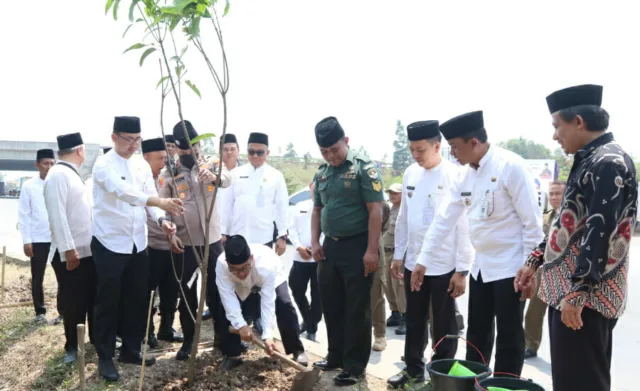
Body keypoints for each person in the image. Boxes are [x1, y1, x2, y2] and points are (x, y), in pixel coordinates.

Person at [515, 84, 637, 391]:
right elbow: (565, 224)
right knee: (570, 380)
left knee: (584, 382)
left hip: (586, 300)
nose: (555, 136)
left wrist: (579, 292)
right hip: (568, 294)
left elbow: (600, 233)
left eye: (557, 126)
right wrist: (534, 261)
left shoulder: (609, 162)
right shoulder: (590, 159)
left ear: (578, 122)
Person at [411, 111, 543, 377]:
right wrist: (422, 260)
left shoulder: (511, 167)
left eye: (456, 148)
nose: (453, 154)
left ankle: (505, 385)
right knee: (476, 333)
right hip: (482, 267)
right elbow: (443, 220)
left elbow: (532, 226)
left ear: (474, 142)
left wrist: (530, 269)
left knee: (509, 334)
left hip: (511, 269)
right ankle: (473, 382)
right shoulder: (464, 176)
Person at [91, 116, 183, 382]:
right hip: (110, 243)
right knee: (108, 301)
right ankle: (105, 356)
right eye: (128, 139)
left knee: (137, 299)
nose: (133, 145)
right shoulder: (103, 165)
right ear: (114, 137)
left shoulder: (141, 166)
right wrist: (160, 202)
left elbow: (148, 202)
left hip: (137, 243)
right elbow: (125, 194)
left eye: (137, 140)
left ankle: (131, 349)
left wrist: (162, 219)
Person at [388, 120, 474, 387]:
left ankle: (441, 373)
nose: (416, 155)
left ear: (437, 146)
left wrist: (462, 270)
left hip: (445, 264)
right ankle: (413, 367)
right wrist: (398, 254)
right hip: (414, 262)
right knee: (413, 319)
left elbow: (464, 227)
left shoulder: (455, 175)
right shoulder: (411, 174)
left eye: (421, 149)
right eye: (412, 149)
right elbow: (404, 217)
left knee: (444, 324)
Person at [310, 116, 384, 386]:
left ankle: (354, 366)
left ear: (346, 141)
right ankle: (335, 356)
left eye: (335, 150)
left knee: (356, 309)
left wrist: (372, 250)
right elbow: (317, 210)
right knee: (331, 304)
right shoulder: (322, 173)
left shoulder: (365, 169)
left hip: (358, 246)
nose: (331, 156)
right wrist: (315, 243)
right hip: (330, 247)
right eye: (324, 152)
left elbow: (376, 210)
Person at [160, 120, 231, 360]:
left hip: (212, 242)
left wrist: (214, 177)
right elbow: (162, 207)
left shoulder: (211, 163)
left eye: (193, 147)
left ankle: (224, 338)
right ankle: (189, 340)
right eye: (184, 150)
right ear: (177, 149)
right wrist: (168, 230)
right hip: (185, 242)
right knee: (187, 294)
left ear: (199, 143)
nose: (190, 153)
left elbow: (228, 178)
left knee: (219, 290)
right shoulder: (169, 173)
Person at [220, 132, 289, 331]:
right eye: (251, 152)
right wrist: (224, 232)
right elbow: (226, 204)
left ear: (267, 152)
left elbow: (282, 207)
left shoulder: (275, 176)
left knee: (260, 280)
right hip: (238, 236)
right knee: (238, 279)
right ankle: (242, 318)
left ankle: (260, 317)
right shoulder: (236, 174)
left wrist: (282, 236)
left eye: (260, 152)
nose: (255, 156)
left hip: (263, 237)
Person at [215, 235, 307, 370]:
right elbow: (227, 298)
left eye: (244, 268)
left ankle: (296, 350)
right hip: (238, 286)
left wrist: (267, 336)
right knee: (223, 308)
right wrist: (241, 326)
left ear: (251, 259)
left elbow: (268, 302)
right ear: (227, 263)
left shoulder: (265, 265)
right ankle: (232, 354)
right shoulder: (222, 265)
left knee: (284, 303)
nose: (240, 273)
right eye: (234, 269)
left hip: (269, 278)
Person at [43, 133, 94, 364]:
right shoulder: (58, 174)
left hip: (87, 251)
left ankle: (93, 340)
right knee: (74, 303)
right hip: (72, 254)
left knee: (90, 299)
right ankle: (71, 347)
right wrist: (68, 250)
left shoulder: (71, 174)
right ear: (80, 150)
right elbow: (57, 216)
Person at [142, 138, 184, 349]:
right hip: (151, 244)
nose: (164, 161)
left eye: (166, 157)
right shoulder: (139, 180)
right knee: (149, 290)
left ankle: (166, 328)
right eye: (160, 157)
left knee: (171, 289)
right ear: (145, 158)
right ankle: (147, 331)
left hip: (173, 242)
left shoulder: (171, 175)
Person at [524, 180, 565, 359]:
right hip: (543, 270)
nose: (555, 197)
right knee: (534, 310)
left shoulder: (573, 216)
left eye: (558, 193)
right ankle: (530, 345)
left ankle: (564, 352)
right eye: (552, 194)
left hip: (564, 272)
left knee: (562, 314)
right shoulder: (546, 216)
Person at [203, 133, 241, 322]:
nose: (228, 152)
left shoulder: (245, 172)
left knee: (240, 271)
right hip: (216, 232)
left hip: (239, 231)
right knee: (214, 273)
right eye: (225, 149)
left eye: (232, 149)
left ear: (238, 150)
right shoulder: (211, 170)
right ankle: (213, 306)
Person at [18, 148, 56, 324]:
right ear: (37, 165)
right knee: (38, 275)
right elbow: (24, 215)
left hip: (58, 237)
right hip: (38, 238)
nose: (49, 167)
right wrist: (27, 241)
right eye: (45, 163)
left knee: (63, 275)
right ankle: (40, 312)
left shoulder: (58, 183)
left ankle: (63, 311)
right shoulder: (29, 186)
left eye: (52, 163)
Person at [288, 182, 323, 342]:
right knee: (296, 289)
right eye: (314, 187)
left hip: (319, 258)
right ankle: (309, 321)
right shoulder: (300, 206)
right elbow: (292, 228)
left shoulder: (327, 207)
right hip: (299, 256)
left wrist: (316, 247)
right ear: (310, 186)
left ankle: (311, 327)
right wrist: (299, 246)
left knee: (318, 296)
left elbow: (328, 231)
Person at [382, 183, 407, 334]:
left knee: (399, 286)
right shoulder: (391, 209)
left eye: (396, 193)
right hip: (386, 252)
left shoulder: (406, 210)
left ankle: (405, 316)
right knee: (388, 285)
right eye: (390, 193)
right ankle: (395, 312)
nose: (392, 195)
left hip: (398, 254)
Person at [370, 198, 390, 351]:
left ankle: (380, 334)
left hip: (376, 249)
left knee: (376, 294)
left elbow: (384, 226)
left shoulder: (380, 202)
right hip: (351, 249)